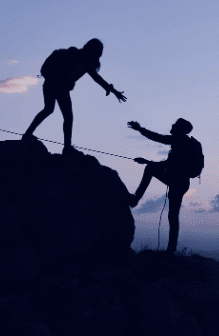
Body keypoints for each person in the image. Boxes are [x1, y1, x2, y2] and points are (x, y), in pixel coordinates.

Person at [22, 38, 126, 154]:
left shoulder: (83, 60)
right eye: (98, 50)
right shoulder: (80, 57)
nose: (100, 53)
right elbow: (96, 78)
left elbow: (96, 78)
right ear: (93, 50)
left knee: (49, 109)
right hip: (58, 86)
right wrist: (113, 91)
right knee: (66, 116)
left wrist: (112, 90)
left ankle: (28, 134)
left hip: (51, 84)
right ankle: (66, 147)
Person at [128, 118, 200, 253]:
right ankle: (171, 250)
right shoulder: (183, 142)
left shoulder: (180, 141)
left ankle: (135, 199)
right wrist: (149, 162)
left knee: (173, 215)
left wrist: (140, 129)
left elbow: (159, 139)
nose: (172, 125)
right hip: (180, 182)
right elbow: (170, 163)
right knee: (173, 216)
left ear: (181, 129)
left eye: (176, 124)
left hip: (177, 182)